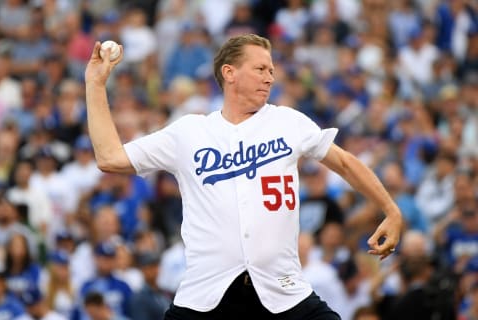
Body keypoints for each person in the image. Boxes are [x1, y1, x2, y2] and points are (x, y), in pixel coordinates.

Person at [85, 34, 403, 319]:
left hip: (282, 289)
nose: (270, 78)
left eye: (272, 71)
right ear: (229, 73)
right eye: (260, 69)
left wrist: (390, 209)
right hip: (206, 294)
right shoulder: (190, 132)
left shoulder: (287, 122)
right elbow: (110, 158)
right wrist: (96, 85)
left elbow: (345, 163)